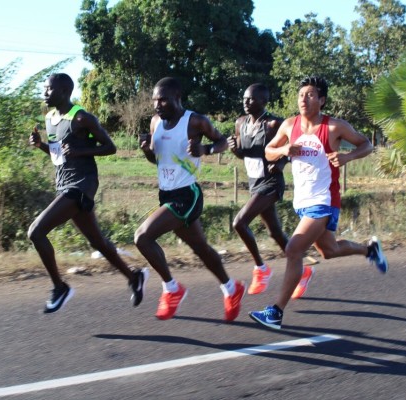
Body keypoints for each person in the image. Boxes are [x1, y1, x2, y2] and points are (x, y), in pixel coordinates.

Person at [249, 76, 388, 330]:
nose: (304, 99)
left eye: (310, 94)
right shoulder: (289, 125)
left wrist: (348, 156)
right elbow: (268, 150)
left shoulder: (335, 127)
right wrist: (283, 151)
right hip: (302, 201)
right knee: (329, 250)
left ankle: (276, 312)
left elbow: (366, 144)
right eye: (301, 94)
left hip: (324, 200)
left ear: (321, 100)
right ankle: (370, 250)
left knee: (293, 249)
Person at [28, 73, 148, 314]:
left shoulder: (82, 118)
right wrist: (41, 145)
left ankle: (60, 287)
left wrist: (81, 150)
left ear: (63, 91)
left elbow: (110, 147)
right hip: (64, 184)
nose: (44, 93)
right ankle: (134, 277)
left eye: (48, 89)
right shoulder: (50, 118)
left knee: (36, 232)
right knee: (98, 242)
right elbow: (59, 154)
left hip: (82, 185)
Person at [135, 77, 245, 321]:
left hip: (187, 194)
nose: (157, 105)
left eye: (162, 100)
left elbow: (223, 141)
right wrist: (146, 151)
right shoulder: (155, 123)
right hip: (166, 194)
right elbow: (156, 158)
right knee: (201, 248)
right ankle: (231, 288)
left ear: (177, 98)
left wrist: (206, 150)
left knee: (142, 237)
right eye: (154, 100)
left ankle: (172, 289)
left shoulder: (195, 121)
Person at [228, 83, 314, 298]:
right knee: (274, 232)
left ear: (264, 101)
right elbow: (244, 154)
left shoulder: (274, 124)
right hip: (254, 183)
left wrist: (282, 162)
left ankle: (261, 269)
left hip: (272, 183)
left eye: (251, 99)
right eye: (244, 99)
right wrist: (235, 149)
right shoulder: (240, 123)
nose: (246, 103)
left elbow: (293, 148)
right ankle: (302, 272)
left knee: (239, 222)